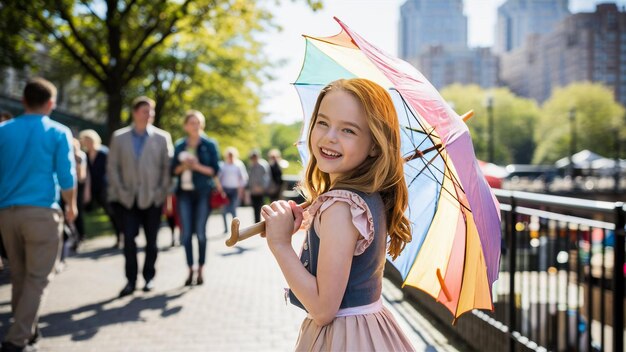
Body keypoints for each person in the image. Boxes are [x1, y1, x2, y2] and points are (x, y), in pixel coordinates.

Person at [260, 78, 415, 351]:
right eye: (322, 122)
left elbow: (322, 309)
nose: (330, 136)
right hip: (371, 329)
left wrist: (280, 244)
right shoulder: (368, 197)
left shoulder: (341, 208)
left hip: (344, 337)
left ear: (375, 146)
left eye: (348, 130)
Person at [0, 78, 77, 351]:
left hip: (7, 214)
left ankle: (27, 330)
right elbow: (67, 177)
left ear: (23, 101)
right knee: (37, 279)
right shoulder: (58, 132)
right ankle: (17, 339)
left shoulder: (3, 131)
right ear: (51, 104)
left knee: (20, 274)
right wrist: (71, 205)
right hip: (41, 213)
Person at [107, 96, 173, 297]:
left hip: (152, 199)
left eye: (152, 111)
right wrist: (121, 191)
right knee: (128, 240)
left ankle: (149, 277)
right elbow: (113, 167)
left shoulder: (162, 138)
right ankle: (131, 281)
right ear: (135, 113)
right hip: (127, 200)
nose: (149, 114)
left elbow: (166, 169)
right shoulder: (119, 137)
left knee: (152, 242)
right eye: (146, 111)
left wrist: (160, 193)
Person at [171, 110, 220, 286]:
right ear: (185, 126)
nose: (195, 126)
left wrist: (196, 166)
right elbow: (172, 170)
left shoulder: (209, 144)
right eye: (191, 122)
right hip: (183, 194)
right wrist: (184, 166)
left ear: (202, 124)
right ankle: (190, 269)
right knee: (185, 235)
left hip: (202, 193)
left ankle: (200, 269)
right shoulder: (179, 145)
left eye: (198, 122)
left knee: (200, 233)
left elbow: (214, 170)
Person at [79, 129, 124, 248]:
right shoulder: (86, 155)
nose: (87, 143)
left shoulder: (104, 153)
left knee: (111, 212)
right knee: (82, 209)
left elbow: (112, 170)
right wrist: (87, 191)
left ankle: (120, 235)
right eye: (85, 141)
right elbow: (87, 174)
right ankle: (80, 237)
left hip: (106, 187)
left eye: (89, 140)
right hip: (93, 188)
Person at [217, 147, 248, 233]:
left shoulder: (238, 165)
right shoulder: (223, 165)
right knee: (223, 210)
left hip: (235, 190)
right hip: (225, 190)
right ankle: (226, 228)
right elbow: (219, 178)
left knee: (233, 210)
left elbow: (243, 178)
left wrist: (241, 190)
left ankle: (235, 229)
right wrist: (220, 190)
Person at [247, 149, 270, 223]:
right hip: (253, 191)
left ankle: (264, 222)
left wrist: (261, 188)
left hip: (261, 191)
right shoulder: (251, 166)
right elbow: (249, 178)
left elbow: (266, 178)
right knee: (254, 208)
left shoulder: (262, 165)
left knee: (262, 207)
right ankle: (256, 223)